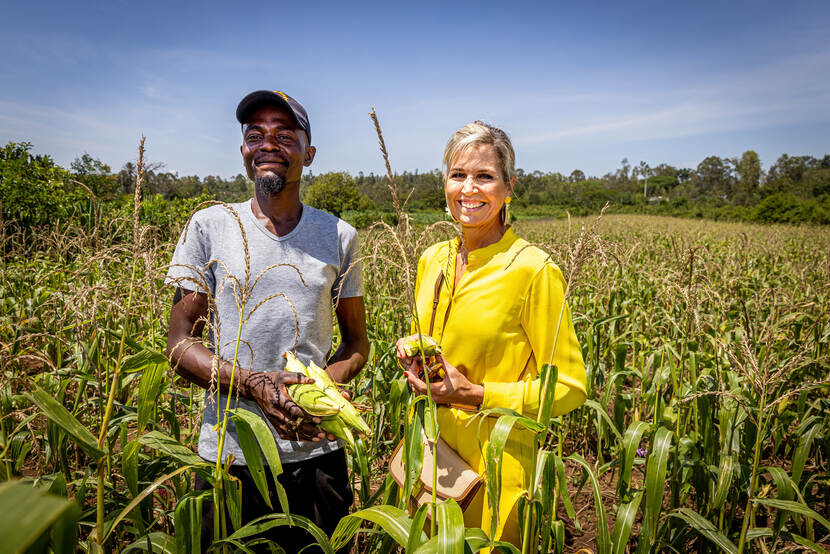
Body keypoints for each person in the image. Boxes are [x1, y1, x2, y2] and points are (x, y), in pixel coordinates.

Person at [165, 90, 369, 552]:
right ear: (244, 151)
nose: (267, 143)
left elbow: (357, 343)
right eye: (255, 135)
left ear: (308, 153)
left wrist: (318, 391)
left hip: (315, 454)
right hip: (229, 454)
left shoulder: (339, 236)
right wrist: (254, 383)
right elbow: (179, 345)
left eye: (283, 134)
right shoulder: (209, 226)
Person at [395, 121, 587, 545]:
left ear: (509, 187)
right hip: (428, 457)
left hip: (494, 472)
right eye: (458, 175)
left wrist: (477, 395)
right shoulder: (432, 259)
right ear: (444, 182)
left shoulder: (533, 270)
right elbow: (424, 344)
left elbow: (570, 388)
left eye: (485, 176)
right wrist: (410, 354)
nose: (469, 189)